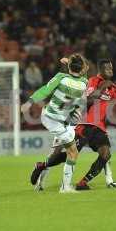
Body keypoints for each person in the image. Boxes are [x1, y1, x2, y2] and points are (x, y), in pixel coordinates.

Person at [30, 59, 116, 191]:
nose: (111, 71)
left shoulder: (112, 87)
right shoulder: (92, 81)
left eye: (111, 68)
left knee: (106, 154)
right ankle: (42, 165)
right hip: (83, 124)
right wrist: (102, 87)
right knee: (67, 154)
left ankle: (83, 182)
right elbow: (86, 100)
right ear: (101, 70)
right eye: (107, 69)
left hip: (99, 127)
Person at [21, 54, 88, 193]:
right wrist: (70, 63)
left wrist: (29, 102)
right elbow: (83, 72)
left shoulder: (61, 77)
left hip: (51, 117)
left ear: (69, 67)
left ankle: (40, 180)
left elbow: (45, 90)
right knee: (73, 152)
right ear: (81, 68)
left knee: (54, 154)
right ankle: (65, 187)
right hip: (56, 121)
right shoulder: (84, 83)